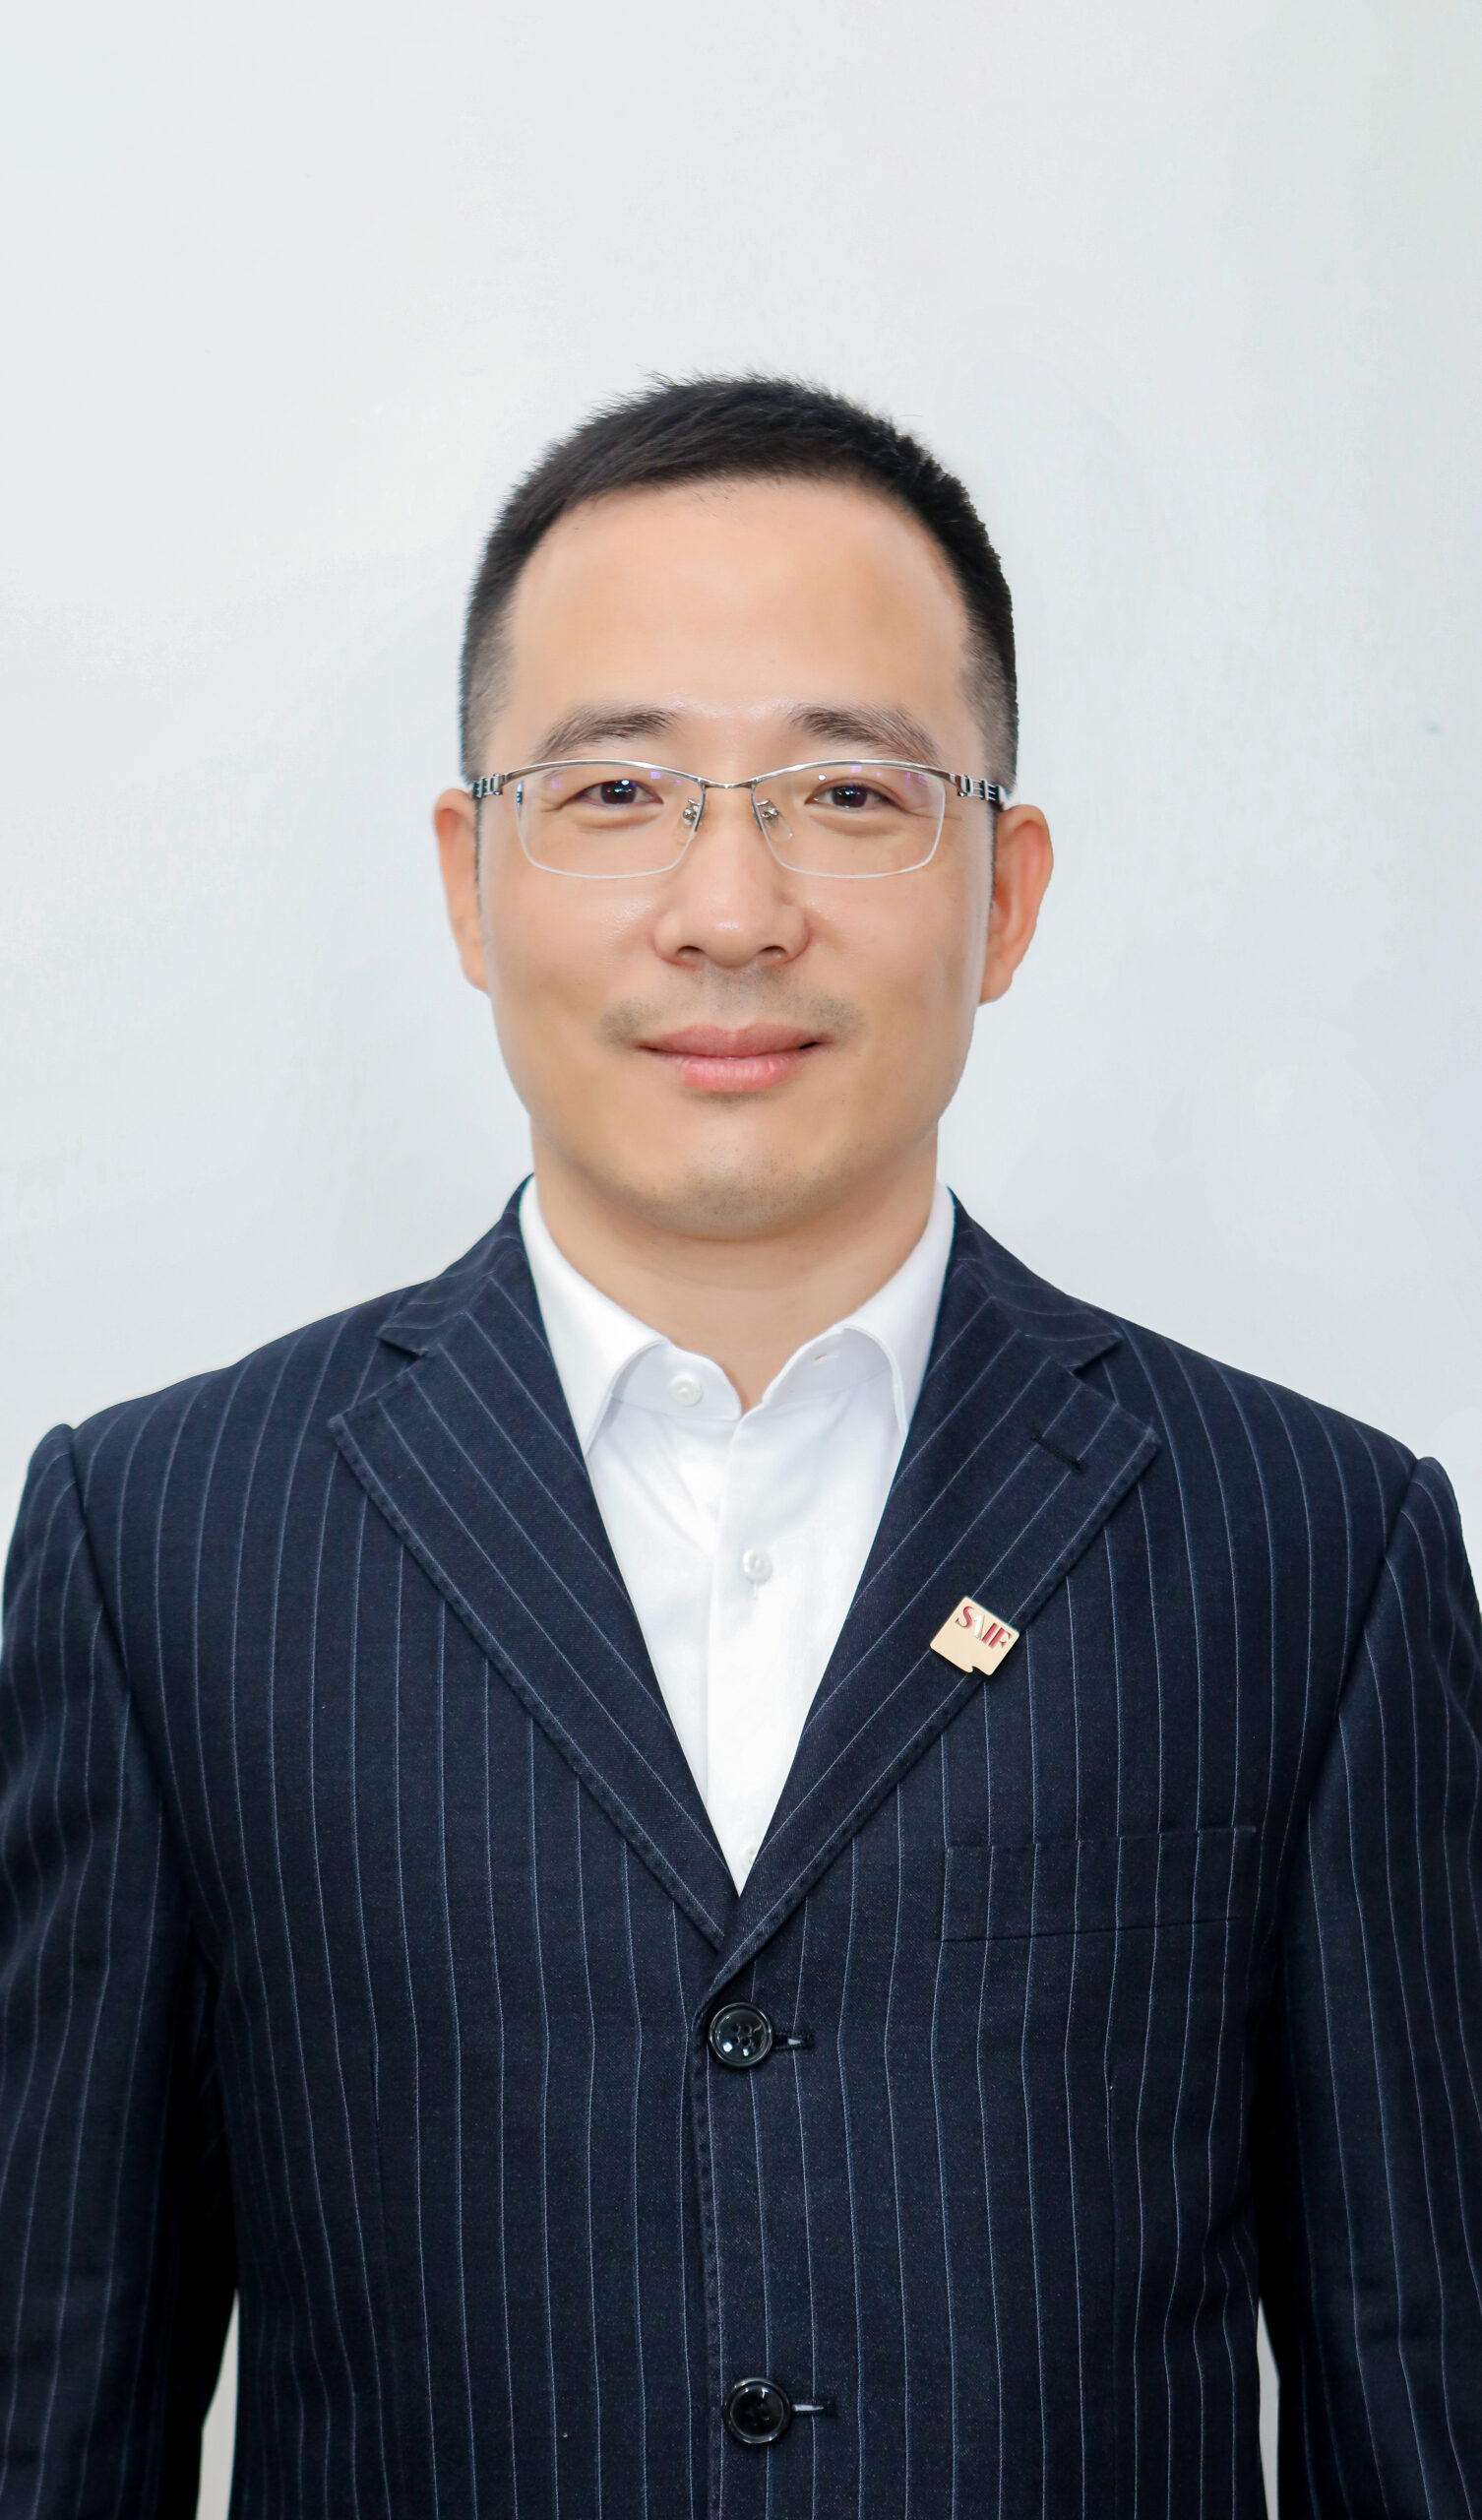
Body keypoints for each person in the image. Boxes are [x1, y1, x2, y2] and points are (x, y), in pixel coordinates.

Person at [2, 377, 1479, 2520]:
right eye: (616, 789)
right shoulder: (164, 1545)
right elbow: (54, 2404)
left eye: (847, 794)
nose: (728, 906)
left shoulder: (1312, 1548)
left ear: (1005, 891)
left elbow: (1422, 2394)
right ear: (469, 879)